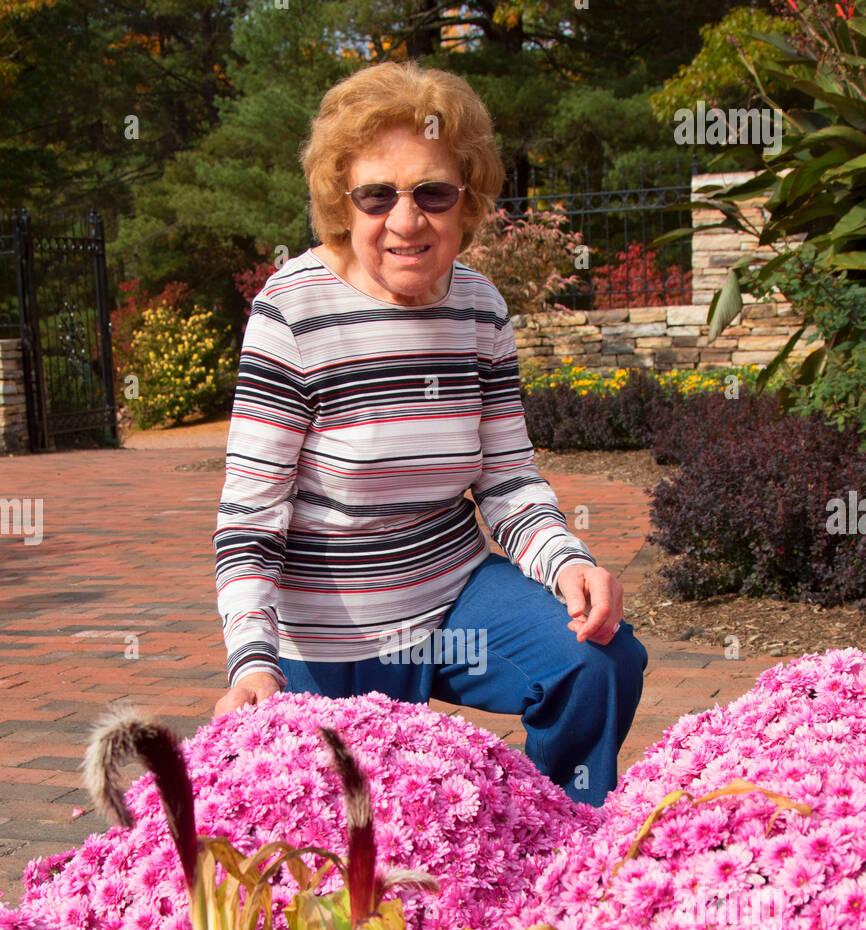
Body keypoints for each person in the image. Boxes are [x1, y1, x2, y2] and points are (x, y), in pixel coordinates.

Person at [212, 60, 647, 807]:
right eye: (377, 195)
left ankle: (562, 845)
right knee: (349, 843)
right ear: (341, 203)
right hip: (326, 636)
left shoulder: (479, 307)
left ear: (466, 200)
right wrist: (253, 664)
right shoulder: (291, 313)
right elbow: (251, 523)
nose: (406, 220)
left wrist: (567, 564)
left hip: (452, 602)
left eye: (433, 193)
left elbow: (507, 480)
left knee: (597, 663)